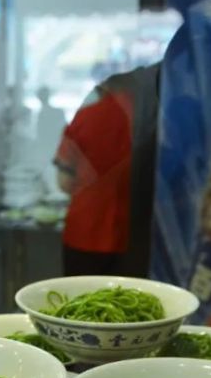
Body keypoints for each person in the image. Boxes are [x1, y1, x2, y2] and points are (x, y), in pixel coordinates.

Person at [54, 63, 160, 278]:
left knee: (81, 296)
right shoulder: (149, 121)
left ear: (103, 86)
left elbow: (65, 182)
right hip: (131, 237)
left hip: (85, 233)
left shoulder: (87, 116)